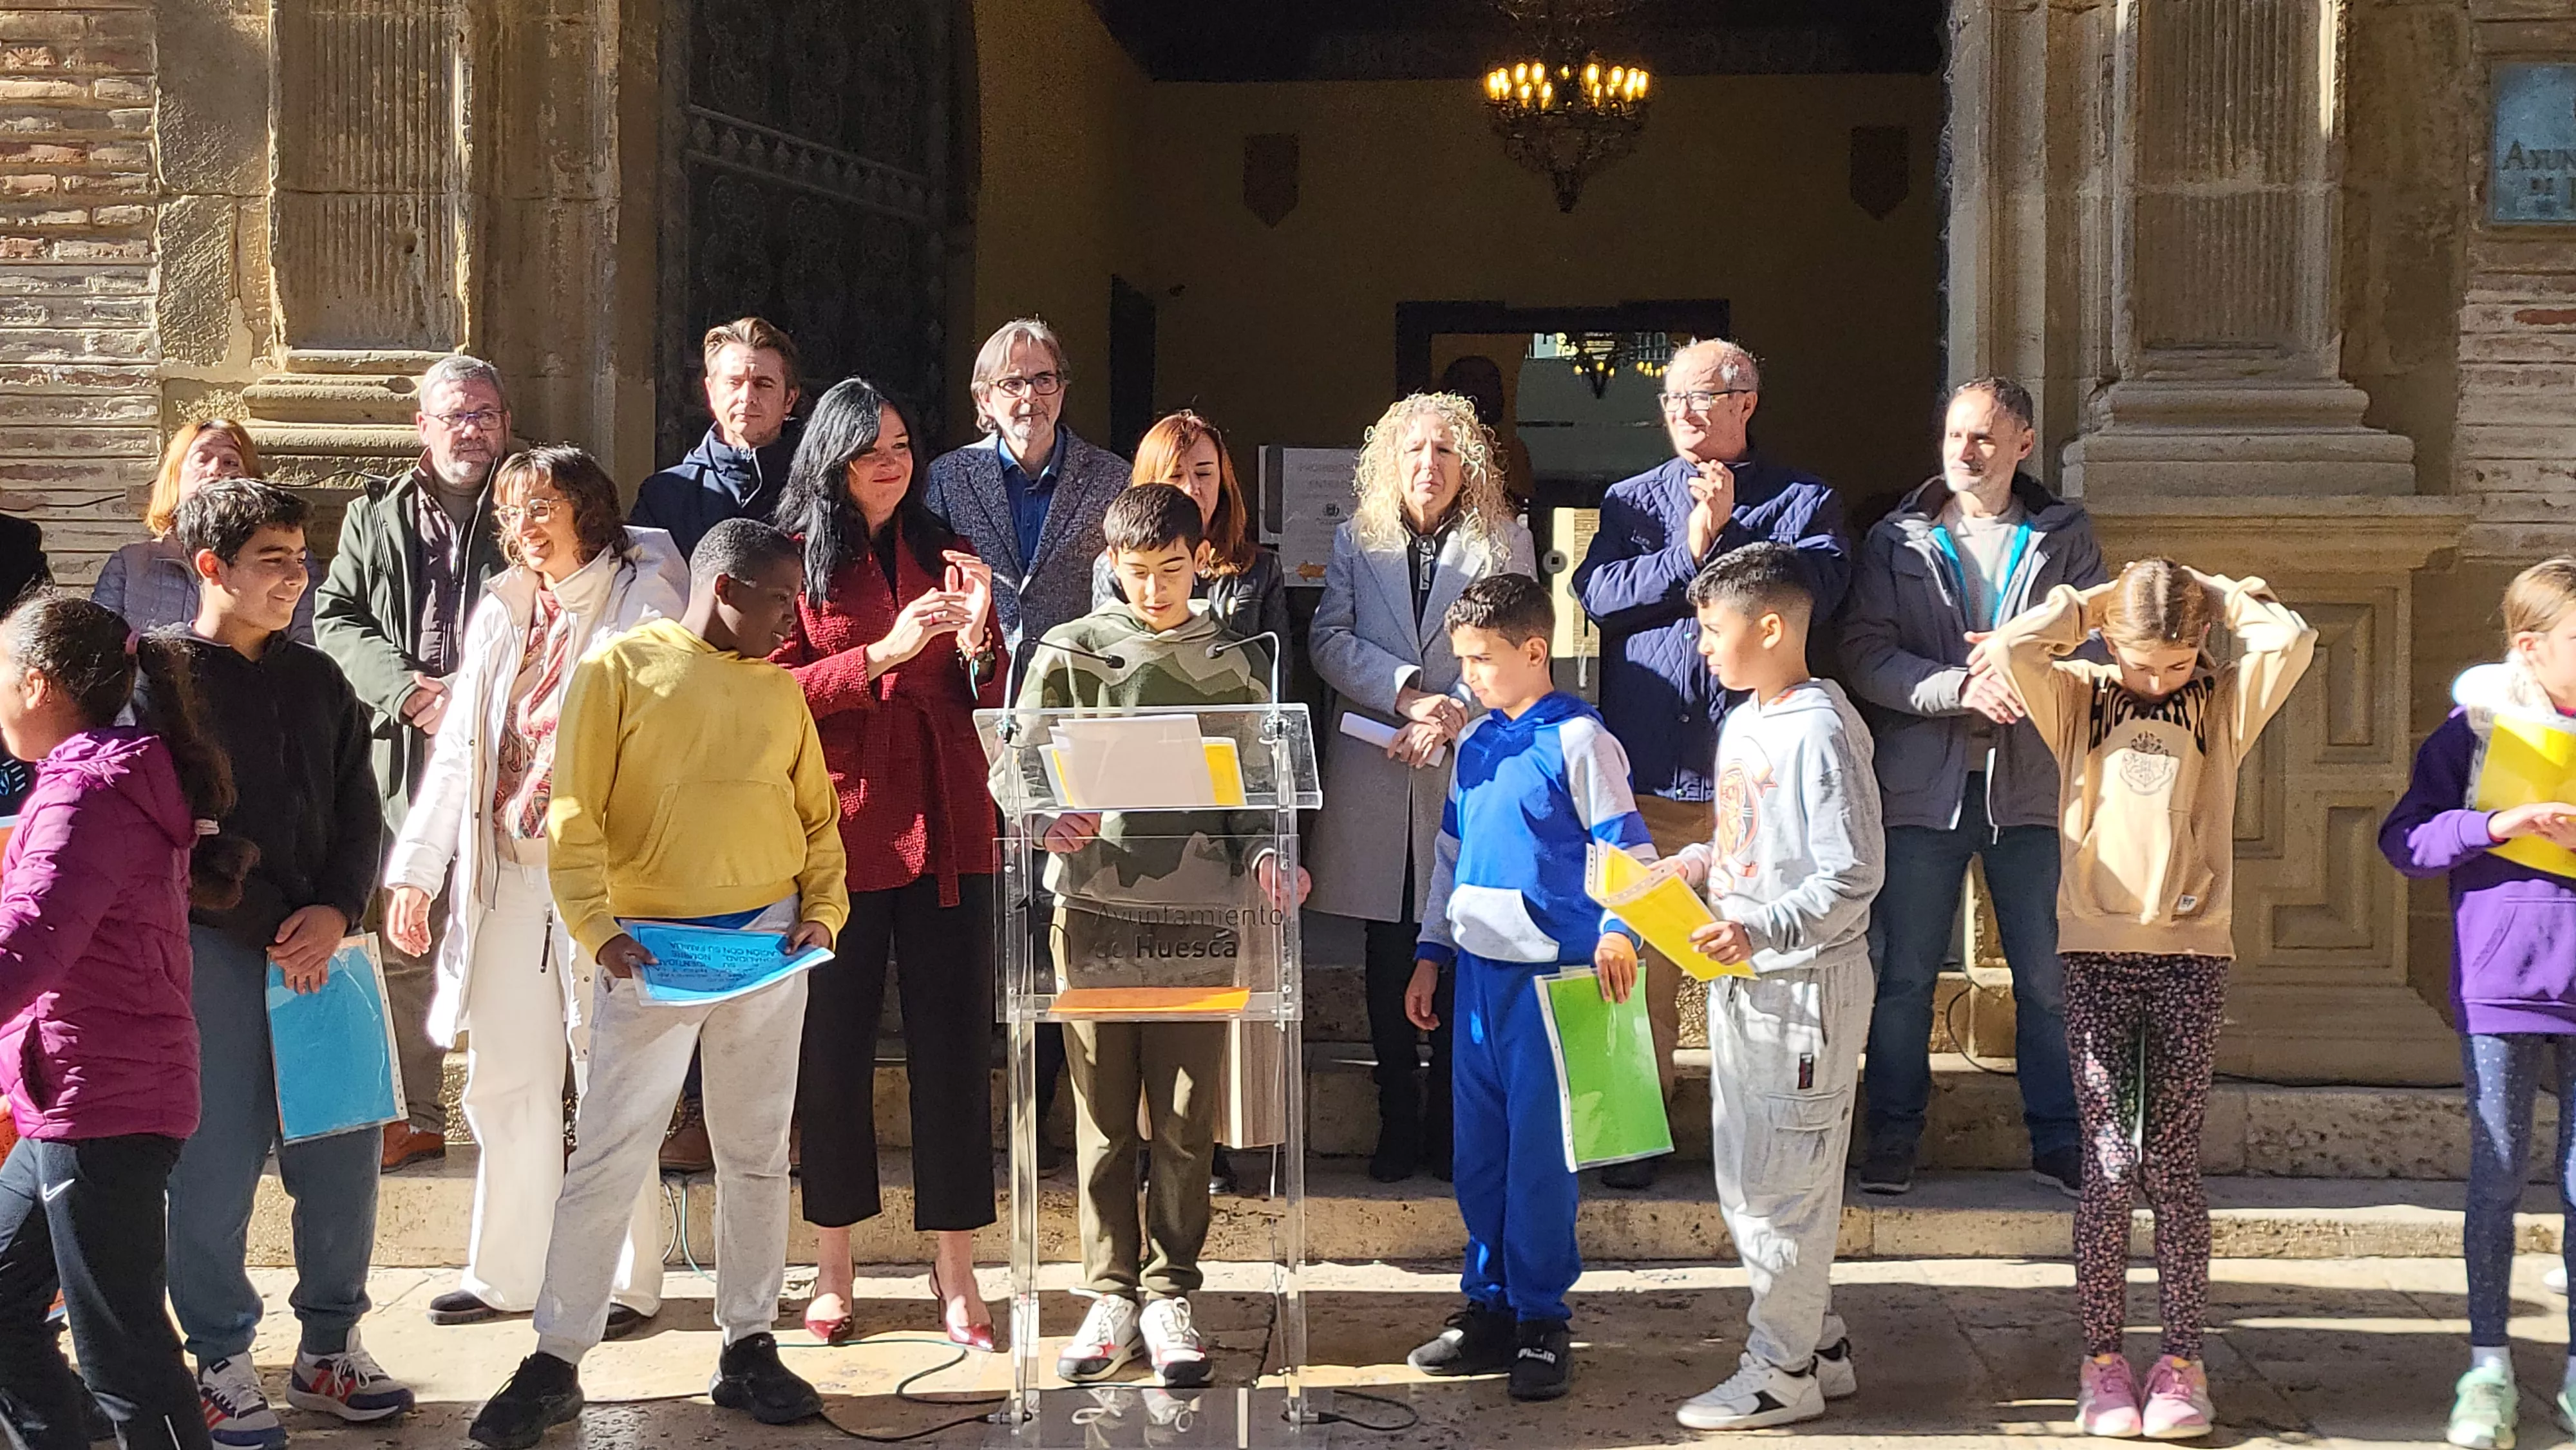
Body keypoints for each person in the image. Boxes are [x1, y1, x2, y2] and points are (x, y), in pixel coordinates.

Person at [466, 518, 848, 1449]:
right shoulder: (619, 670)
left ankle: (748, 1342)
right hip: (651, 951)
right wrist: (596, 929)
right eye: (777, 601)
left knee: (756, 1153)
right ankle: (556, 1358)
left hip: (764, 948)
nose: (789, 622)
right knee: (607, 1154)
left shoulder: (778, 693)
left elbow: (818, 817)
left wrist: (823, 913)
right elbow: (575, 811)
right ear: (727, 590)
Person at [1980, 559, 2315, 1441]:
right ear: (2109, 643)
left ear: (2200, 645)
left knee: (2170, 1163)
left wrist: (2218, 590)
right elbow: (2016, 647)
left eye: (2173, 663)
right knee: (2107, 1163)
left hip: (2192, 952)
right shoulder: (2081, 698)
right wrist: (2093, 606)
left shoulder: (2222, 703)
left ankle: (2181, 1361)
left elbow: (2293, 639)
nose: (2156, 679)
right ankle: (2101, 1363)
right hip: (2094, 950)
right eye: (2140, 662)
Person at [379, 446, 686, 1335]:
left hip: (602, 878)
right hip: (507, 872)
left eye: (541, 506)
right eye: (512, 512)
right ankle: (507, 1272)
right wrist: (416, 870)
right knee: (508, 1075)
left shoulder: (642, 598)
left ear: (589, 508)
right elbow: (460, 753)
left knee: (609, 1073)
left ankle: (623, 1280)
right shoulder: (503, 611)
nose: (522, 527)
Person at [1016, 484, 1305, 1390]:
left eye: (1172, 572)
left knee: (1185, 1116)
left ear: (1201, 561)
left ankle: (1172, 1286)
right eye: (1136, 574)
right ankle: (1109, 1293)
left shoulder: (1232, 658)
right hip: (1095, 908)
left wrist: (1269, 856)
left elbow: (1261, 783)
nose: (1154, 591)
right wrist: (1039, 817)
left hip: (1199, 912)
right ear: (1110, 565)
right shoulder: (1069, 650)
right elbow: (1015, 756)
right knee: (1102, 1116)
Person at [154, 480, 414, 1447]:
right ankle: (220, 1357)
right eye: (273, 560)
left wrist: (339, 907)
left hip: (328, 949)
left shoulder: (321, 681)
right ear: (210, 566)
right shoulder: (162, 680)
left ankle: (330, 1348)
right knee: (214, 1165)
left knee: (343, 1155)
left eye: (301, 560)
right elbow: (175, 833)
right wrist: (275, 921)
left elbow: (363, 807)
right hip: (217, 951)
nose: (295, 579)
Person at [1571, 337, 1847, 1190]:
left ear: (1746, 402)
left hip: (1753, 787)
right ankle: (1627, 1137)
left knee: (1757, 969)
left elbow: (1819, 592)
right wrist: (1689, 550)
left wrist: (1728, 537)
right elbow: (1598, 597)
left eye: (1703, 398)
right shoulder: (1627, 500)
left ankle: (1764, 1137)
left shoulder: (1806, 501)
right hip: (1646, 775)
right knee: (1628, 961)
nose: (1685, 416)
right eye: (1673, 403)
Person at [767, 379, 1001, 1350]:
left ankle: (955, 1266)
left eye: (902, 443)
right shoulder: (791, 559)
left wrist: (985, 641)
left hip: (952, 819)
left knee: (953, 1048)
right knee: (833, 1053)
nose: (893, 462)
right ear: (831, 459)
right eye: (871, 449)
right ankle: (833, 1264)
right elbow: (766, 690)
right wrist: (877, 655)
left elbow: (989, 695)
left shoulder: (944, 547)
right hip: (842, 827)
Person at [0, 595, 257, 1450]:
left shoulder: (88, 793)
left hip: (102, 1104)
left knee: (126, 1361)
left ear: (35, 685)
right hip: (66, 1095)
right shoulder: (87, 782)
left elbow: (28, 946)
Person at [1840, 377, 2105, 1198]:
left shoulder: (2064, 535)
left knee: (2047, 977)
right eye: (1955, 435)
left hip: (2031, 791)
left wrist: (2034, 676)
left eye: (1984, 437)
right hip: (1924, 791)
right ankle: (1891, 1135)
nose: (1965, 451)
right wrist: (1956, 688)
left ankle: (2059, 1138)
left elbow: (2100, 650)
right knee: (1904, 975)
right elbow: (1864, 654)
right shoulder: (1899, 538)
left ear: (2023, 442)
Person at [1398, 572, 1653, 1405]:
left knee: (1543, 1159)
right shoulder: (1473, 745)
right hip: (1477, 979)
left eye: (1482, 659)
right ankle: (1490, 1306)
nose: (1466, 675)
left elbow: (1629, 850)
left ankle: (1543, 1319)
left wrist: (1620, 927)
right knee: (1481, 1155)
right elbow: (1447, 855)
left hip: (1557, 983)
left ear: (1535, 651)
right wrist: (1432, 950)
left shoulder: (1582, 740)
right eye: (1461, 659)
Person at [1658, 544, 1882, 1431]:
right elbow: (1756, 838)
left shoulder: (1822, 728)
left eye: (1715, 630)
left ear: (1774, 626)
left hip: (1800, 992)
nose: (1704, 647)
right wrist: (1699, 863)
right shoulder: (1749, 720)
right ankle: (1818, 1340)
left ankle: (1780, 1368)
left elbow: (1851, 873)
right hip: (1746, 979)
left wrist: (1760, 925)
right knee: (1752, 1174)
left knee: (1780, 1183)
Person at [1308, 393, 1534, 1184]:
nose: (1428, 465)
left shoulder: (1503, 539)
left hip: (1466, 760)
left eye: (1444, 450)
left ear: (1467, 462)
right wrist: (1407, 693)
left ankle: (1450, 1119)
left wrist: (1452, 714)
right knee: (1386, 945)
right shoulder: (1354, 540)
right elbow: (1328, 639)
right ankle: (1395, 1117)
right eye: (1413, 451)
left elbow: (1520, 647)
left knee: (1461, 938)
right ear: (1389, 461)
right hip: (1378, 757)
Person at [2379, 558, 2576, 1450]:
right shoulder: (2474, 732)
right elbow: (2407, 838)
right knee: (2496, 1177)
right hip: (2504, 984)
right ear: (2531, 648)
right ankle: (2488, 1365)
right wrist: (2497, 825)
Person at [924, 316, 1128, 1162]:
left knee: (1055, 924)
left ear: (1063, 390)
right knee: (979, 930)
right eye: (1012, 383)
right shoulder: (945, 480)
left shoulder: (1110, 477)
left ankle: (1039, 1124)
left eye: (1043, 379)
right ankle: (974, 1122)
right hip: (974, 721)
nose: (1029, 397)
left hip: (1074, 723)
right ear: (983, 400)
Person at [316, 353, 515, 1172]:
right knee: (405, 929)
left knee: (521, 931)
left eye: (487, 413)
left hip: (512, 743)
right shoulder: (377, 512)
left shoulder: (530, 496)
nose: (473, 428)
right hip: (403, 748)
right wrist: (408, 692)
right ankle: (413, 1113)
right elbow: (334, 615)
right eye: (456, 415)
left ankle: (538, 1110)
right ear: (422, 427)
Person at [1090, 410, 1291, 1186]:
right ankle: (1149, 1144)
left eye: (1205, 472)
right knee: (1142, 990)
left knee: (1222, 981)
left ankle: (1222, 1143)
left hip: (1226, 805)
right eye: (1176, 473)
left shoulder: (1257, 570)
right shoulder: (1114, 574)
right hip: (1135, 816)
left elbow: (1274, 692)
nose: (1192, 487)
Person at [92, 420, 317, 643]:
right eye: (202, 458)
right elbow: (98, 652)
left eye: (231, 462)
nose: (216, 471)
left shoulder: (294, 566)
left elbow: (308, 647)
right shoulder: (131, 564)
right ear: (175, 476)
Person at [630, 317, 805, 559]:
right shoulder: (665, 496)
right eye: (734, 383)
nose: (747, 396)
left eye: (763, 384)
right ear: (711, 392)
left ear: (789, 399)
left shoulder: (819, 489)